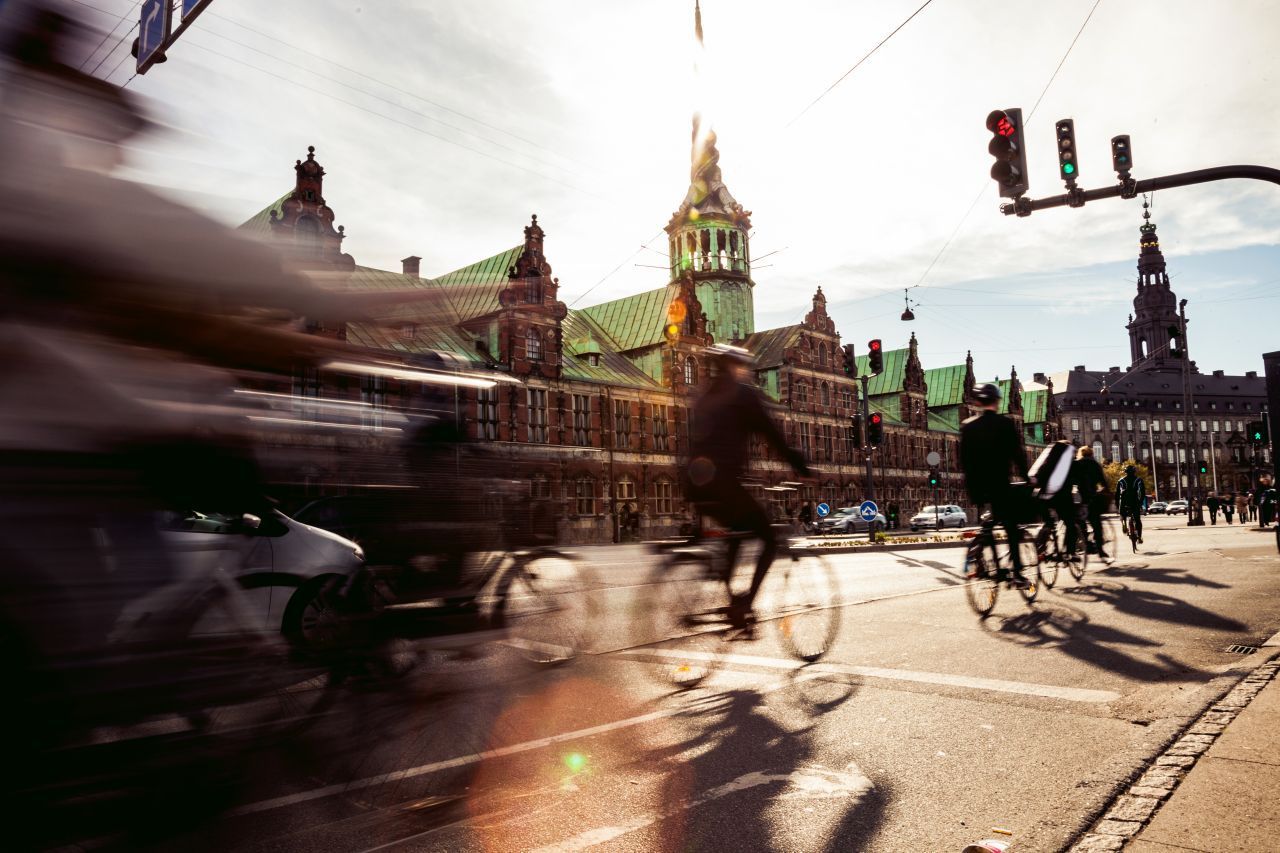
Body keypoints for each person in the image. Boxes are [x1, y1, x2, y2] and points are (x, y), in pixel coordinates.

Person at [685, 343, 811, 628]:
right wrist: (800, 465)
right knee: (767, 538)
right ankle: (745, 604)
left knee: (736, 532)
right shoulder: (743, 394)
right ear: (736, 368)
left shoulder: (703, 395)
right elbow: (772, 435)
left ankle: (732, 599)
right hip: (724, 481)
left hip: (695, 482)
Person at [959, 383, 1031, 588]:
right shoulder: (1005, 424)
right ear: (996, 402)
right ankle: (1017, 573)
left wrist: (971, 486)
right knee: (1011, 528)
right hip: (1001, 486)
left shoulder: (968, 426)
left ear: (977, 402)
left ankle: (989, 564)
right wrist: (1027, 477)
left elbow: (964, 460)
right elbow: (1018, 455)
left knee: (987, 526)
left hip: (977, 488)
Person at [1073, 445, 1109, 559]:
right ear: (1091, 454)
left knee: (1079, 522)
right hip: (1091, 498)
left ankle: (1083, 544)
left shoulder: (1076, 464)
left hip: (1078, 498)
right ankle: (1100, 550)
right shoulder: (1095, 464)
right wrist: (1103, 490)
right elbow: (1103, 483)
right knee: (1096, 525)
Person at [1115, 464, 1147, 543]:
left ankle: (1124, 523)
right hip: (1135, 501)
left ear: (1125, 472)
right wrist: (1140, 502)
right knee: (1137, 520)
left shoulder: (1121, 480)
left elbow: (1117, 494)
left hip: (1124, 501)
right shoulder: (1138, 480)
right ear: (1134, 472)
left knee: (1123, 515)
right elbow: (1142, 492)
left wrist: (1117, 505)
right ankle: (1139, 537)